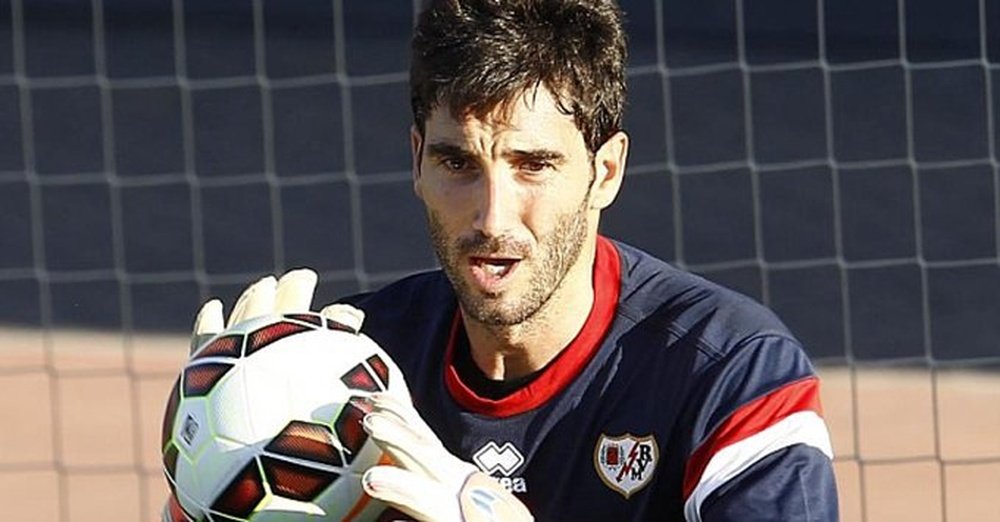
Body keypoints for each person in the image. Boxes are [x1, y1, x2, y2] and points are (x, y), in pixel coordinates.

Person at [181, 0, 838, 520]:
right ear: (417, 163)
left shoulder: (730, 373)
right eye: (458, 164)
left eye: (534, 165)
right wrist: (216, 465)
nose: (492, 217)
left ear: (605, 172)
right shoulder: (347, 373)